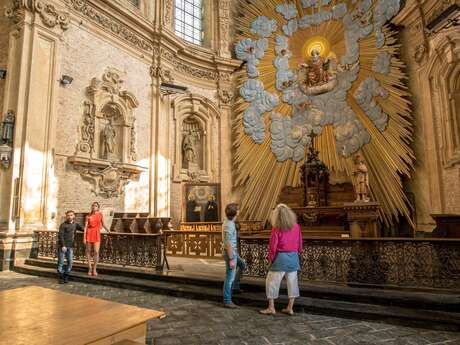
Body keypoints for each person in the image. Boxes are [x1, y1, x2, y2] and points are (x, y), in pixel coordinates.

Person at [260, 204, 303, 315]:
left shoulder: (277, 228)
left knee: (271, 282)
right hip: (293, 257)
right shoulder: (296, 226)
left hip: (281, 258)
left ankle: (271, 307)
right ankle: (290, 307)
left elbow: (273, 246)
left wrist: (270, 258)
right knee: (292, 283)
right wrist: (298, 252)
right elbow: (300, 242)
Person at [222, 203, 246, 308]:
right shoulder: (228, 225)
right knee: (229, 277)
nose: (239, 211)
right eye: (238, 209)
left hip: (233, 253)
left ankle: (235, 286)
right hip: (230, 254)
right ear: (235, 212)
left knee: (242, 265)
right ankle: (227, 300)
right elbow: (227, 244)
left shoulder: (230, 222)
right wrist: (231, 258)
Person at [84, 202, 110, 276]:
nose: (94, 207)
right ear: (91, 207)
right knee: (88, 252)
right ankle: (90, 268)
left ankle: (94, 268)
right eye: (93, 206)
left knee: (96, 251)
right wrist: (84, 238)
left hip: (96, 233)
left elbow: (103, 224)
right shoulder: (88, 216)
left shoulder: (100, 215)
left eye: (96, 206)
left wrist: (108, 230)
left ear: (98, 207)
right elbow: (85, 227)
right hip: (89, 233)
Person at [57, 210, 83, 284]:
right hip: (62, 246)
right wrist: (63, 245)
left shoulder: (75, 224)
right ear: (66, 216)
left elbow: (83, 229)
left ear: (74, 216)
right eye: (68, 215)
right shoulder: (63, 225)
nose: (69, 216)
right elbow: (61, 236)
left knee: (70, 262)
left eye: (71, 215)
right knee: (61, 262)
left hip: (70, 246)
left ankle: (66, 275)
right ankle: (61, 277)